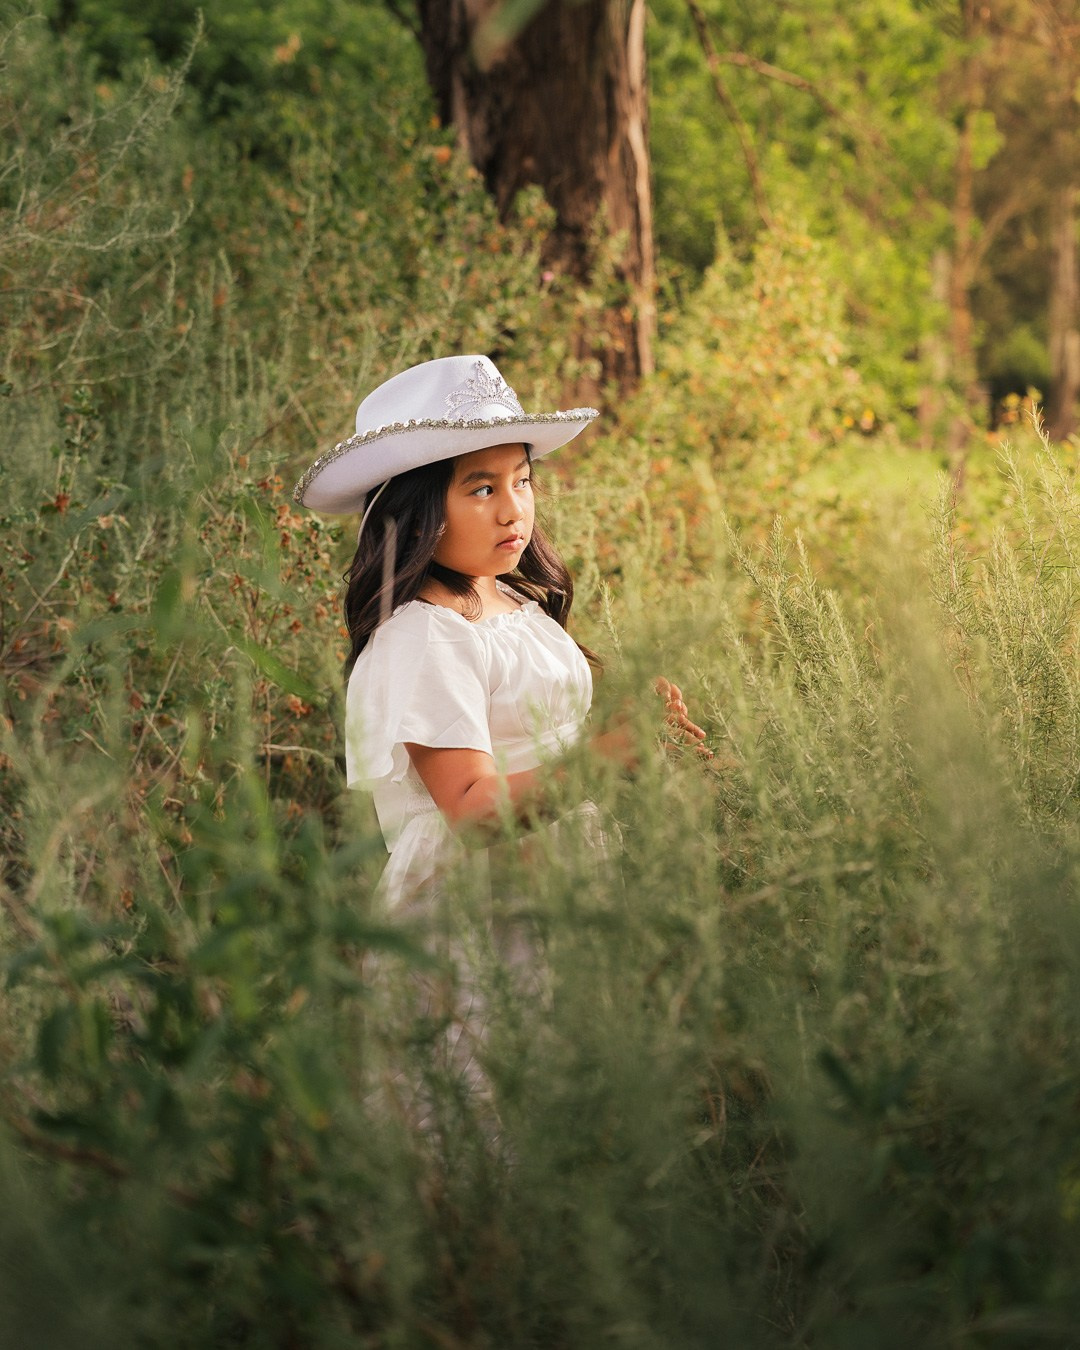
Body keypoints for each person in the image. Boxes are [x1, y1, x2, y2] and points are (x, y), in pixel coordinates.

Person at [293, 353, 708, 912]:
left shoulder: (507, 597)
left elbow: (533, 730)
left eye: (523, 481)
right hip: (482, 905)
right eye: (482, 490)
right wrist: (600, 758)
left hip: (558, 878)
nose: (514, 510)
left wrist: (628, 719)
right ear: (415, 514)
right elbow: (469, 807)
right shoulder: (426, 635)